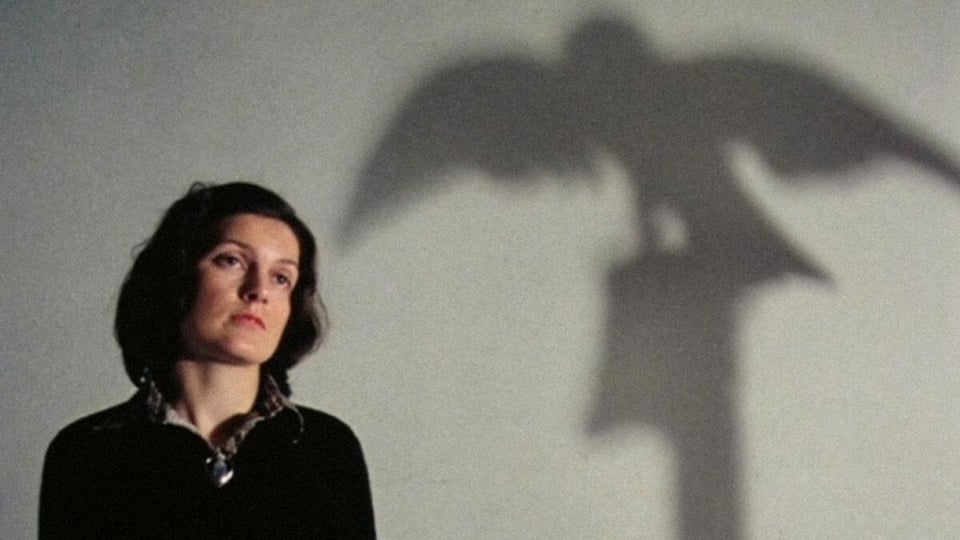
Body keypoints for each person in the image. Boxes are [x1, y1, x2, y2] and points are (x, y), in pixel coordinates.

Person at [39, 182, 375, 538]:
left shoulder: (327, 450)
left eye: (281, 278)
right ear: (177, 276)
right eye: (231, 260)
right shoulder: (87, 453)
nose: (258, 290)